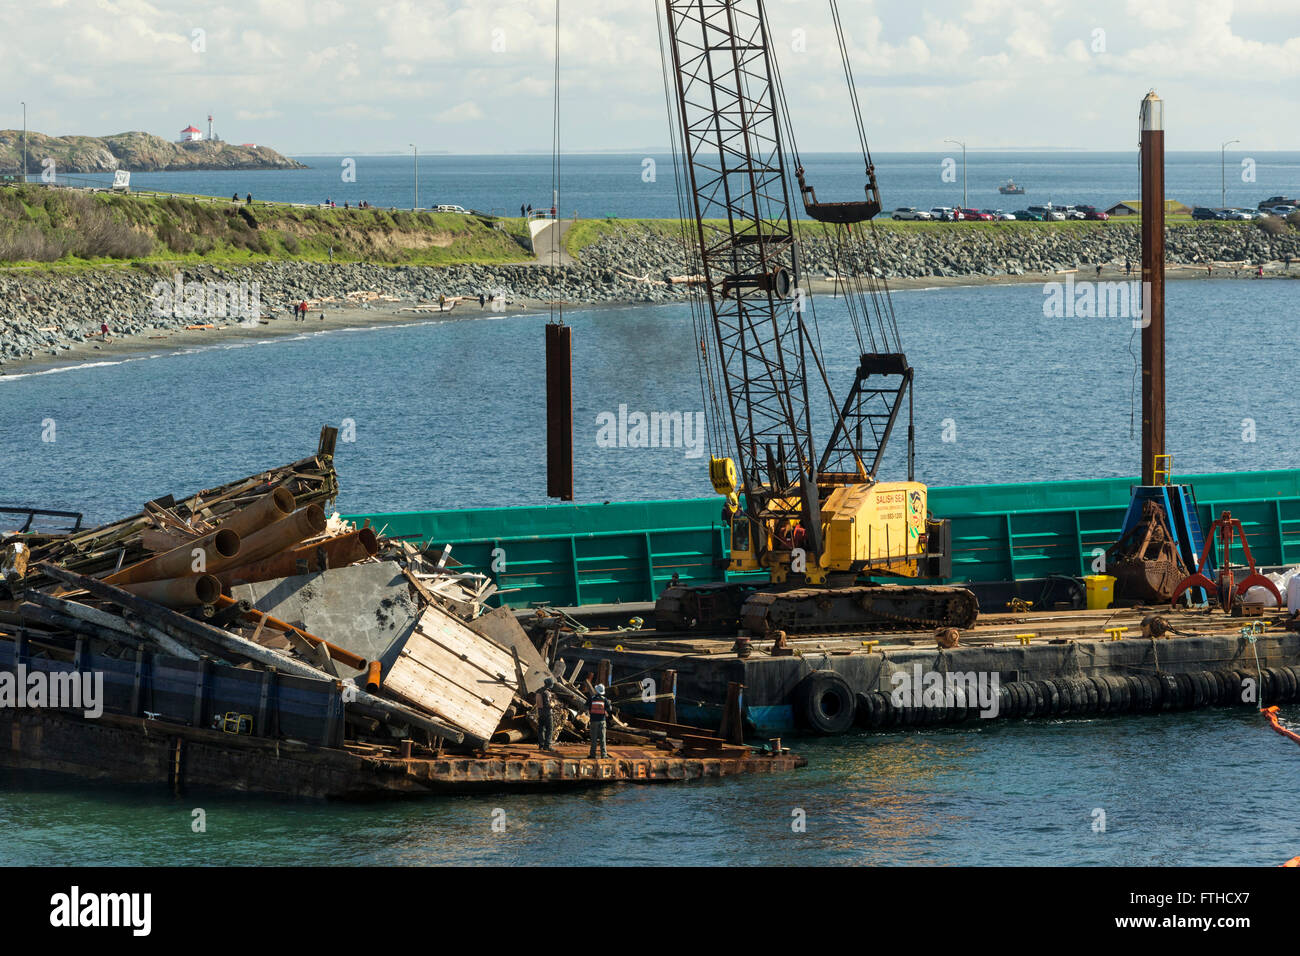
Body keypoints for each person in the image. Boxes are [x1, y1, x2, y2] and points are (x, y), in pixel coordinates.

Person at [587, 683, 609, 758]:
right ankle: (604, 755)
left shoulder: (592, 699)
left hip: (593, 721)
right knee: (603, 738)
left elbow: (586, 707)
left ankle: (593, 755)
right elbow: (609, 708)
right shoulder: (604, 699)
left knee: (594, 739)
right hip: (602, 721)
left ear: (596, 691)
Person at [535, 678, 556, 751]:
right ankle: (547, 746)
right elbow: (547, 704)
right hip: (547, 714)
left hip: (540, 713)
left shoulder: (538, 691)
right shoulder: (546, 693)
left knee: (541, 730)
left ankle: (541, 745)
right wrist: (553, 704)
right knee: (549, 729)